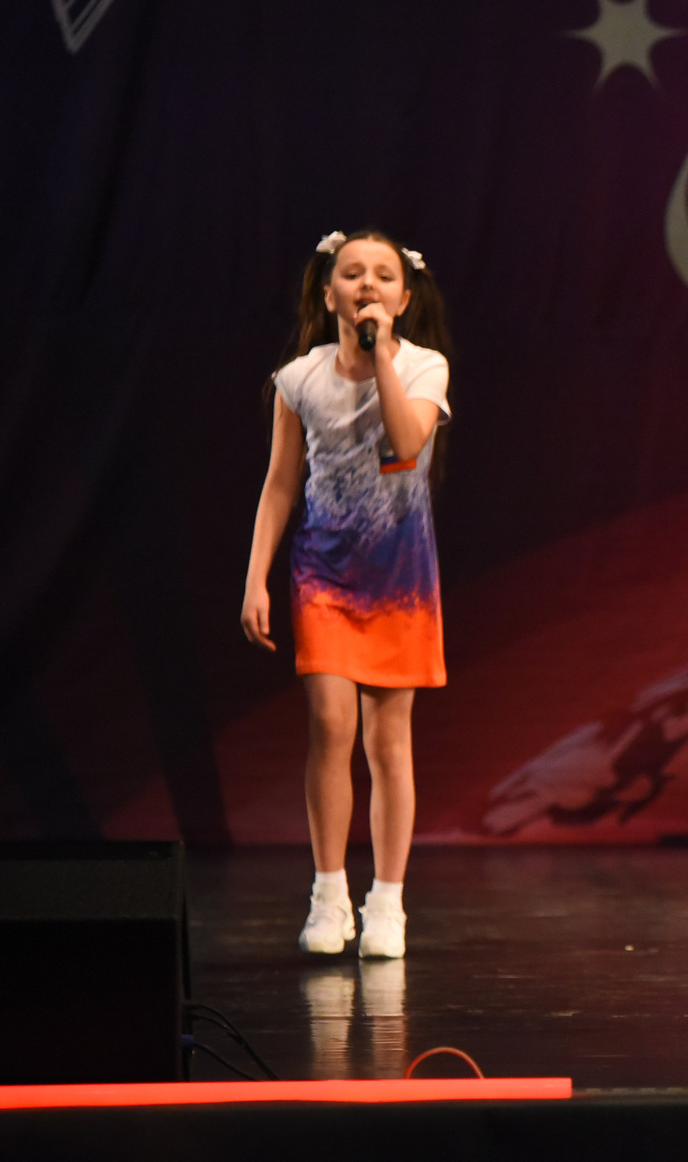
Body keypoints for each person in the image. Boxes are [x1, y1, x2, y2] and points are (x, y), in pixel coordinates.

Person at [241, 230, 452, 960]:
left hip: (400, 579)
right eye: (352, 273)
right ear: (328, 291)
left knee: (388, 741)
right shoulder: (299, 379)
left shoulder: (423, 366)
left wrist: (382, 355)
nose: (367, 285)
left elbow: (405, 445)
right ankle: (328, 894)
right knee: (330, 725)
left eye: (383, 275)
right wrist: (255, 577)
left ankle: (387, 901)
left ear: (404, 297)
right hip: (323, 574)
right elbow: (279, 485)